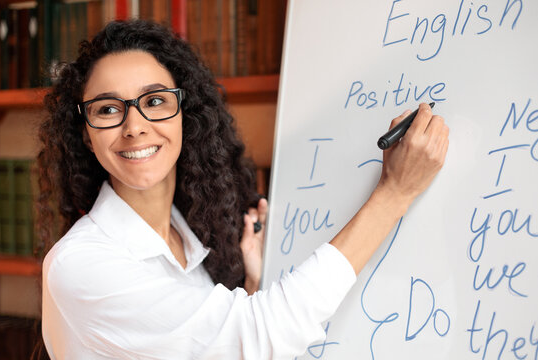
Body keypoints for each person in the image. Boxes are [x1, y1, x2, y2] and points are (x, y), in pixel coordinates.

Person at [37, 19, 449, 359]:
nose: (135, 126)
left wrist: (251, 289)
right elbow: (258, 335)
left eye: (156, 101)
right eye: (108, 109)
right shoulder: (79, 266)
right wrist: (395, 193)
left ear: (185, 113)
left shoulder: (187, 237)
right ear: (87, 135)